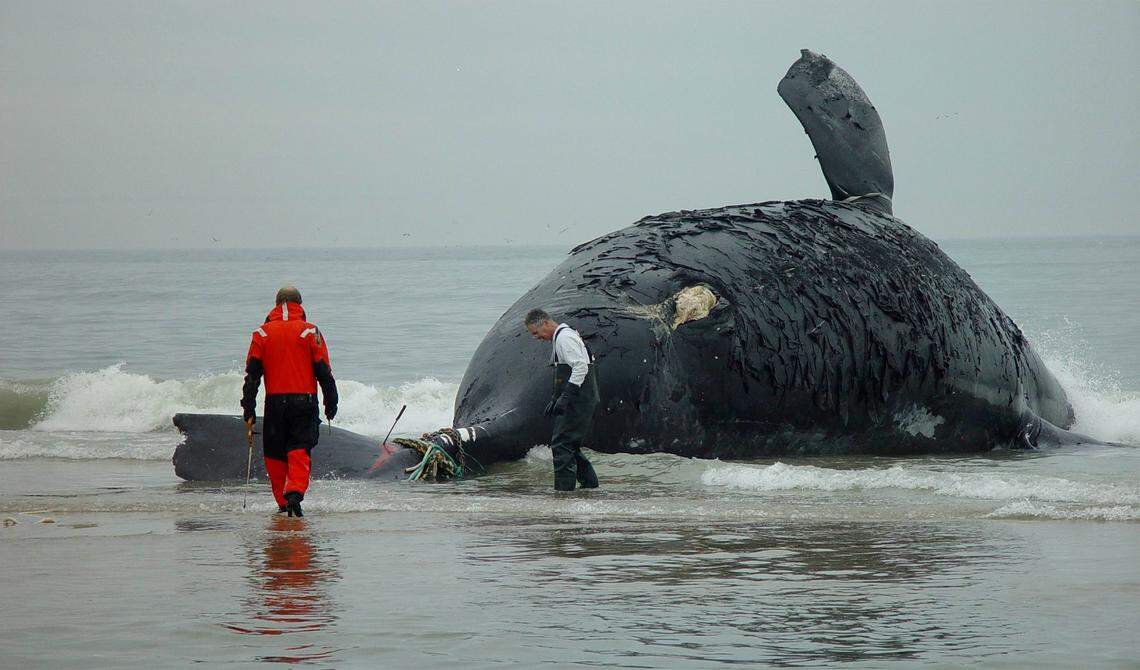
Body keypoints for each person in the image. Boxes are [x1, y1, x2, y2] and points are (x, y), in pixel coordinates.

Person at [241, 286, 338, 517]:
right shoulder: (310, 332)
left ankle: (282, 503)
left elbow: (252, 376)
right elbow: (324, 372)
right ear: (301, 304)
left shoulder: (261, 334)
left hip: (274, 403)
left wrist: (249, 408)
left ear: (275, 305)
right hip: (304, 402)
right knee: (299, 449)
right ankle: (294, 493)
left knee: (274, 453)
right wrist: (331, 403)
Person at [524, 308, 600, 491]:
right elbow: (567, 370)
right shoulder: (563, 336)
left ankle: (563, 493)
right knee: (570, 445)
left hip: (579, 400)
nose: (536, 337)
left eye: (535, 333)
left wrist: (566, 397)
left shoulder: (565, 338)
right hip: (580, 398)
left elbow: (581, 367)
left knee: (561, 445)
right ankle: (590, 486)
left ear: (544, 323)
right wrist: (555, 398)